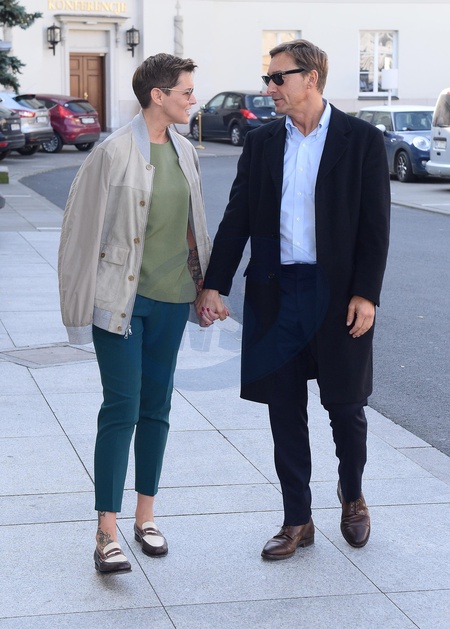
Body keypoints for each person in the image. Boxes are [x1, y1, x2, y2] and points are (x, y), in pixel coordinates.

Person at [195, 39, 390, 559]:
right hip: (276, 295)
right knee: (284, 409)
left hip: (338, 295)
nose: (270, 88)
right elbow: (237, 218)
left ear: (312, 79)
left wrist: (366, 294)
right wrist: (215, 283)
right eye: (268, 78)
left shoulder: (361, 140)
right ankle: (296, 519)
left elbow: (375, 227)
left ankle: (353, 495)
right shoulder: (261, 143)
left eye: (278, 77)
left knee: (346, 406)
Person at [58, 53, 211, 573]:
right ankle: (106, 531)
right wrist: (76, 308)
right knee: (121, 408)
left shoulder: (186, 151)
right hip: (119, 302)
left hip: (171, 299)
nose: (193, 100)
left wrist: (204, 287)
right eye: (186, 92)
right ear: (158, 96)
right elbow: (79, 231)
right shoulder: (112, 151)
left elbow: (194, 226)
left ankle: (146, 516)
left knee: (156, 408)